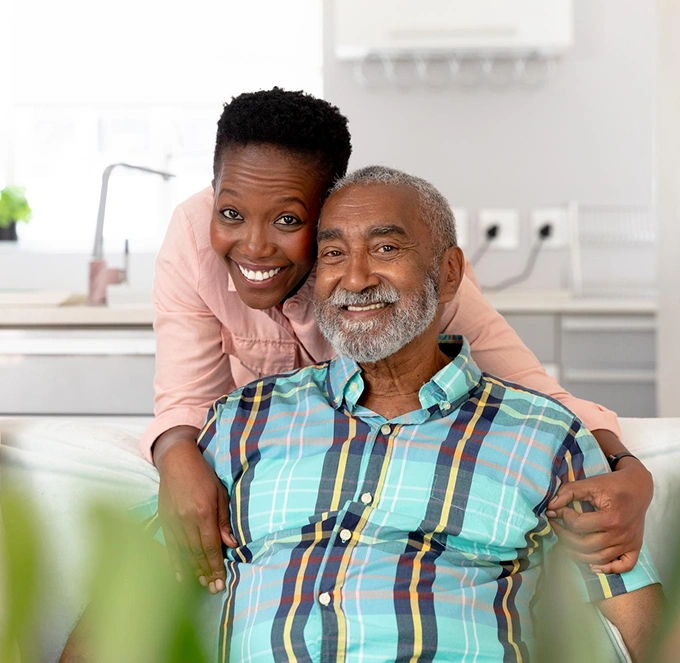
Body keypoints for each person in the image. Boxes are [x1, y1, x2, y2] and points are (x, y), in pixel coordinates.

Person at [145, 87, 653, 596]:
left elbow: (535, 393)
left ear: (329, 213)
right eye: (231, 213)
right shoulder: (192, 239)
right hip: (279, 451)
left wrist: (628, 469)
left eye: (288, 220)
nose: (253, 245)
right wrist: (177, 455)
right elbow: (187, 398)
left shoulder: (417, 282)